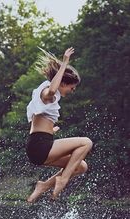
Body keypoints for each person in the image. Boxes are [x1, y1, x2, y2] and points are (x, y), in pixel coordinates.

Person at [26, 47, 93, 202]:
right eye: (72, 87)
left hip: (39, 145)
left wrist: (50, 130)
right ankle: (62, 180)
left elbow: (36, 125)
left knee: (81, 166)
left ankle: (43, 186)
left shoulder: (48, 98)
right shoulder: (47, 94)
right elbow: (52, 89)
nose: (73, 90)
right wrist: (64, 63)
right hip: (40, 147)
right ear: (62, 82)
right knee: (86, 142)